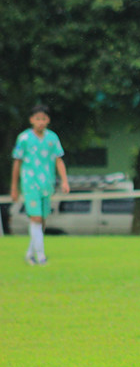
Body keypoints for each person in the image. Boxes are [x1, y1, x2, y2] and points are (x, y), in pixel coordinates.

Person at [10, 104, 70, 265]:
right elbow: (17, 162)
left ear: (48, 120)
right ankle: (41, 257)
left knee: (41, 221)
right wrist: (14, 187)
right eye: (38, 119)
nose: (41, 122)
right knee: (35, 218)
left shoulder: (52, 138)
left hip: (46, 183)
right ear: (31, 120)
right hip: (30, 183)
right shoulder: (23, 138)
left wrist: (64, 181)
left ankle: (30, 254)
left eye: (44, 118)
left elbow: (59, 160)